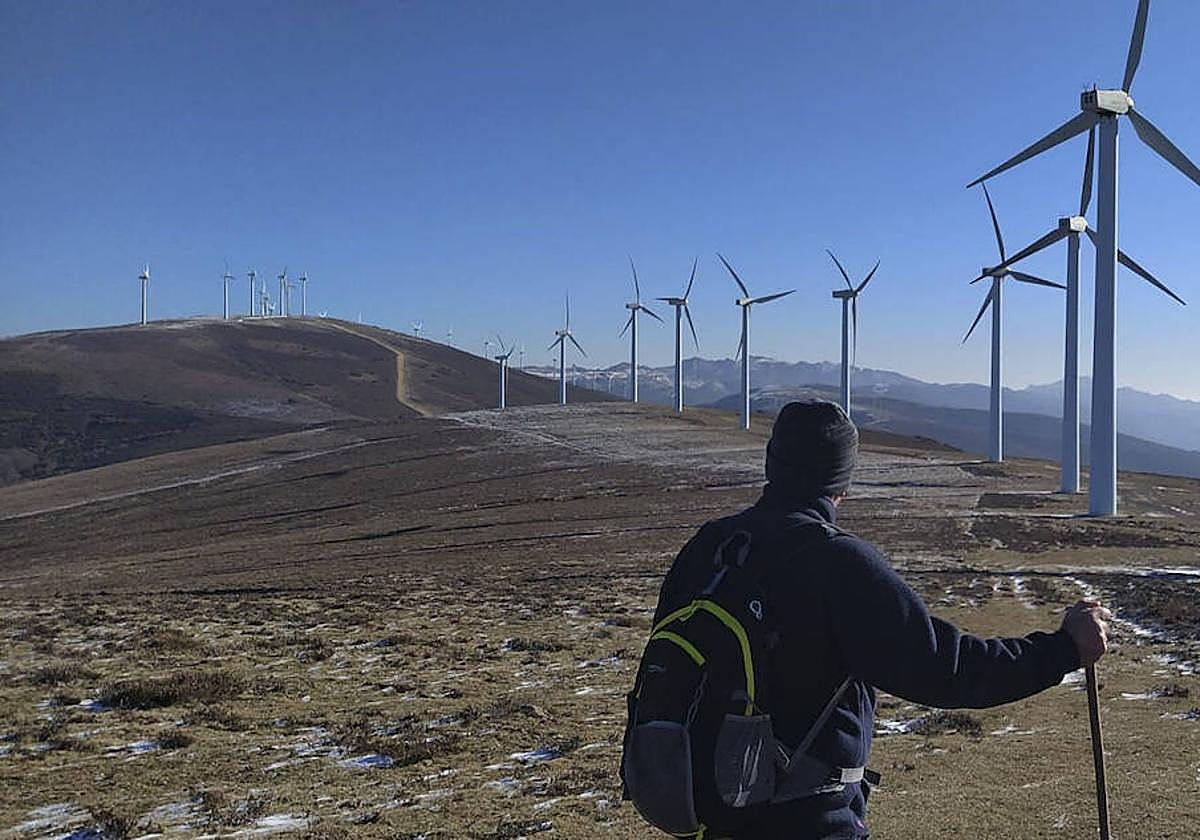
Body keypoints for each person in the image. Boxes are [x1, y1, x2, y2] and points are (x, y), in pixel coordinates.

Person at [644, 399, 1110, 839]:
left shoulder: (709, 547)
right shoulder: (837, 562)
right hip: (807, 819)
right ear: (842, 479)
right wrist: (1063, 649)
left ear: (772, 462)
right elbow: (946, 669)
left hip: (709, 809)